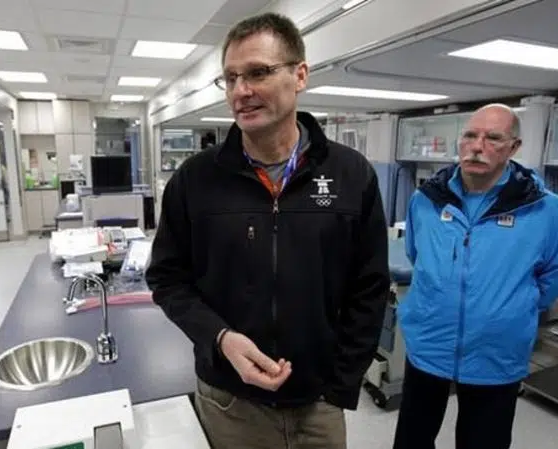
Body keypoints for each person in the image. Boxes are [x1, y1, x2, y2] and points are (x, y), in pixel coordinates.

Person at [145, 12, 390, 449]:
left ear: (300, 75)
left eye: (258, 72)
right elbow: (167, 279)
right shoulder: (195, 180)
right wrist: (220, 339)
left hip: (319, 404)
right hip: (229, 401)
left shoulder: (351, 175)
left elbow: (369, 287)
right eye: (231, 78)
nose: (241, 91)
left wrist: (340, 383)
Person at [393, 104, 558, 449]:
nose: (477, 146)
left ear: (514, 147)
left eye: (493, 138)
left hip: (496, 351)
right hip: (430, 341)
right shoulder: (426, 200)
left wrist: (509, 309)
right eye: (470, 135)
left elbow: (553, 275)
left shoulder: (545, 209)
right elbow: (417, 254)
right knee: (412, 440)